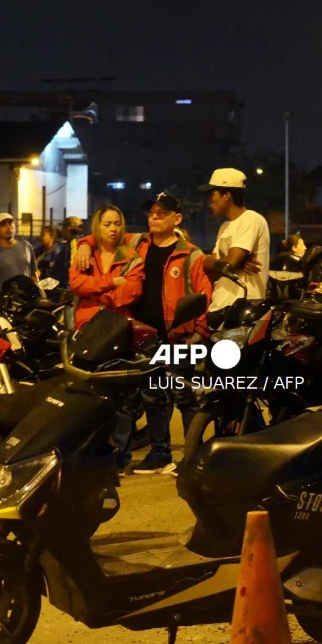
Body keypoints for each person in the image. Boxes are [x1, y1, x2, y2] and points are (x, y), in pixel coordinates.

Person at [128, 193, 211, 475]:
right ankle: (160, 453)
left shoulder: (191, 254)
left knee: (185, 396)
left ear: (177, 219)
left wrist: (199, 331)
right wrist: (84, 245)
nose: (154, 217)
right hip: (144, 335)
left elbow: (203, 295)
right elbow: (101, 236)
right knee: (151, 395)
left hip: (179, 336)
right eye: (151, 211)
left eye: (161, 213)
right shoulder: (136, 246)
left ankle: (192, 456)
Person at [198, 168, 268, 322]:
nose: (209, 200)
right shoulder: (224, 227)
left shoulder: (251, 219)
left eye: (212, 194)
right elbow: (214, 273)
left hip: (244, 312)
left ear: (227, 195)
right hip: (219, 309)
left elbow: (228, 264)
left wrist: (210, 261)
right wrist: (216, 263)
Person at [69, 206, 145, 328]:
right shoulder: (85, 255)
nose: (113, 229)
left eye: (117, 224)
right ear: (97, 227)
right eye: (107, 224)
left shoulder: (132, 258)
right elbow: (76, 283)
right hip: (85, 324)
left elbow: (133, 291)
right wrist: (112, 282)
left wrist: (97, 297)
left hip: (117, 326)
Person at [0, 213, 37, 295]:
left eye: (11, 223)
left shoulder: (26, 246)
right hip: (2, 304)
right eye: (3, 225)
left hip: (26, 301)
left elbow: (34, 275)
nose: (9, 227)